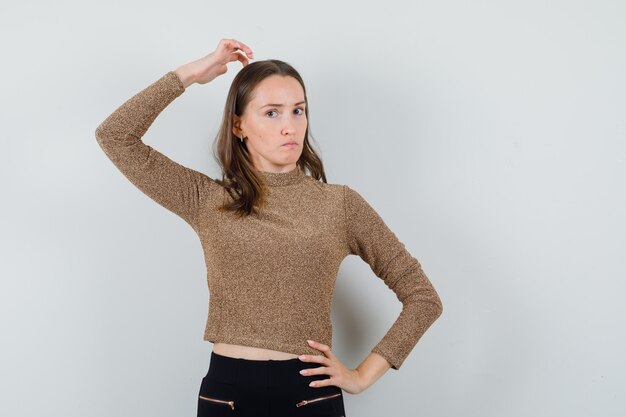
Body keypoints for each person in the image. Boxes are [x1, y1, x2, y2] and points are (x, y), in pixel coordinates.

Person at [95, 38, 443, 417]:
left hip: (309, 393)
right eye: (272, 113)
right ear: (239, 125)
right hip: (228, 394)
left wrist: (362, 376)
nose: (289, 127)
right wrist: (191, 74)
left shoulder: (339, 205)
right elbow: (115, 136)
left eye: (298, 111)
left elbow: (423, 298)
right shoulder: (207, 198)